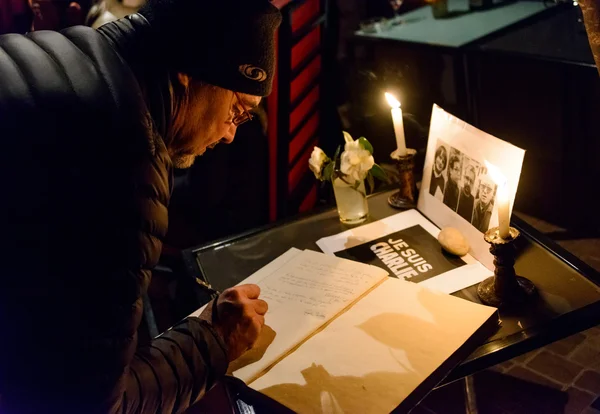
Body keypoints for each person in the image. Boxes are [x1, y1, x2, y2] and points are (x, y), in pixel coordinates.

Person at [0, 0, 280, 413]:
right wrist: (212, 341)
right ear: (188, 70)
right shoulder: (125, 157)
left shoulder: (65, 51)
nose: (229, 135)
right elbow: (85, 404)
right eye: (237, 112)